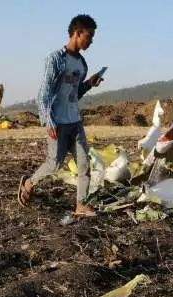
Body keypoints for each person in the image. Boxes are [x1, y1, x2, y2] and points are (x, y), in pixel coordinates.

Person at [18, 14, 104, 216]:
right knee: (54, 164)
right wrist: (48, 121)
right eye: (89, 36)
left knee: (84, 165)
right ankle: (29, 183)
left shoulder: (82, 65)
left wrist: (89, 84)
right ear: (77, 33)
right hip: (57, 122)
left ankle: (81, 205)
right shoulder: (55, 59)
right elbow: (43, 94)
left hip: (75, 121)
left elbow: (75, 94)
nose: (91, 41)